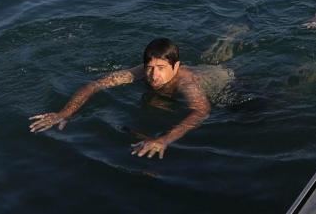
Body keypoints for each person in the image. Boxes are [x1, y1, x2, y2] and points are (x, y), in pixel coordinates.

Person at [28, 38, 211, 159]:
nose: (153, 75)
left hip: (225, 83)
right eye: (150, 67)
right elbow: (94, 85)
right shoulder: (141, 72)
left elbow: (201, 111)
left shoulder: (187, 83)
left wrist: (165, 139)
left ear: (176, 66)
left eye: (161, 68)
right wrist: (65, 113)